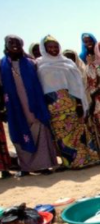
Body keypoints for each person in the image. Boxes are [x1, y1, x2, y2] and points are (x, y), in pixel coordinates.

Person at [37, 35, 100, 169]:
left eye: (55, 47)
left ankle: (84, 160)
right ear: (44, 48)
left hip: (71, 102)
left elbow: (76, 84)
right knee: (61, 135)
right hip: (53, 105)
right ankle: (69, 162)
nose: (53, 49)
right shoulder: (39, 64)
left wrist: (79, 103)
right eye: (50, 47)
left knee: (78, 132)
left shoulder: (68, 63)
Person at [1, 35, 58, 174]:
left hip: (35, 106)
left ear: (22, 44)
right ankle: (26, 168)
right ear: (6, 45)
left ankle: (44, 166)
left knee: (40, 132)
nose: (14, 45)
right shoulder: (1, 66)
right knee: (21, 134)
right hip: (15, 108)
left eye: (17, 42)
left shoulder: (31, 63)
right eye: (11, 42)